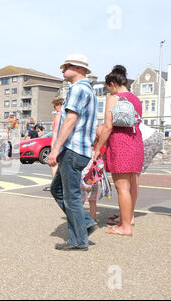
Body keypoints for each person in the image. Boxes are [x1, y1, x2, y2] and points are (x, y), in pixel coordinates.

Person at [47, 53, 98, 251]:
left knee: (70, 195)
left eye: (67, 66)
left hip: (73, 148)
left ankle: (78, 240)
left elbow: (70, 120)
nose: (63, 69)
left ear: (79, 69)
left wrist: (56, 148)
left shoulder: (77, 89)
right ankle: (84, 223)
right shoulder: (89, 90)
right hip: (81, 149)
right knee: (58, 189)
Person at [94, 65, 143, 236]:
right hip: (136, 143)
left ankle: (125, 228)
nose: (109, 91)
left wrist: (98, 149)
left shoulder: (114, 98)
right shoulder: (136, 99)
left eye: (108, 88)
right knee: (130, 186)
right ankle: (127, 220)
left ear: (112, 84)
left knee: (122, 188)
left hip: (121, 146)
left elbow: (108, 127)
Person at [81, 125, 106, 222]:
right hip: (94, 180)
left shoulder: (87, 152)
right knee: (92, 201)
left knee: (80, 201)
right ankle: (93, 219)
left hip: (83, 179)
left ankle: (78, 219)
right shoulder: (101, 152)